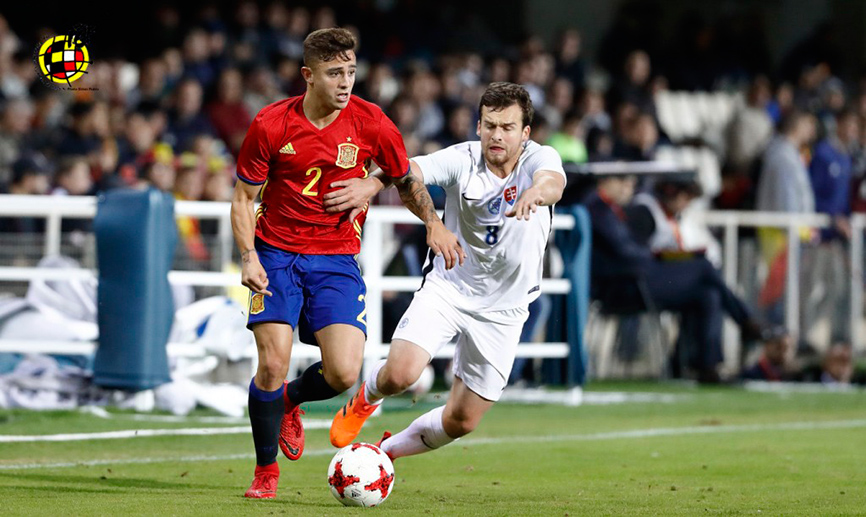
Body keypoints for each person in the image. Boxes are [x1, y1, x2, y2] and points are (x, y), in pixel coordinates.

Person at [230, 28, 461, 499]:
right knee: (272, 364)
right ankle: (265, 472)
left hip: (336, 259)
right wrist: (248, 256)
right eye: (335, 73)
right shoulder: (271, 123)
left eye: (351, 72)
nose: (346, 82)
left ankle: (291, 402)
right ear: (307, 76)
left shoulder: (372, 122)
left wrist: (433, 224)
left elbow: (404, 178)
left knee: (341, 374)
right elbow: (242, 198)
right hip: (274, 255)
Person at [325, 82, 566, 461]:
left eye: (506, 127)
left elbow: (553, 181)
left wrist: (537, 193)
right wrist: (372, 184)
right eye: (489, 125)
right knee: (401, 375)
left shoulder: (539, 159)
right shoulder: (464, 159)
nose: (496, 135)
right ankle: (364, 399)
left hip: (505, 309)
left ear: (526, 133)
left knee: (461, 421)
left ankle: (383, 452)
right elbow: (406, 168)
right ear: (478, 126)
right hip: (450, 287)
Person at [585, 175, 763, 383]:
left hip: (643, 279)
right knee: (704, 268)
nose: (629, 189)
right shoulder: (637, 212)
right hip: (629, 285)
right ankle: (746, 321)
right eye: (623, 183)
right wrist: (662, 258)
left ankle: (705, 366)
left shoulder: (622, 212)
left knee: (708, 294)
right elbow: (630, 254)